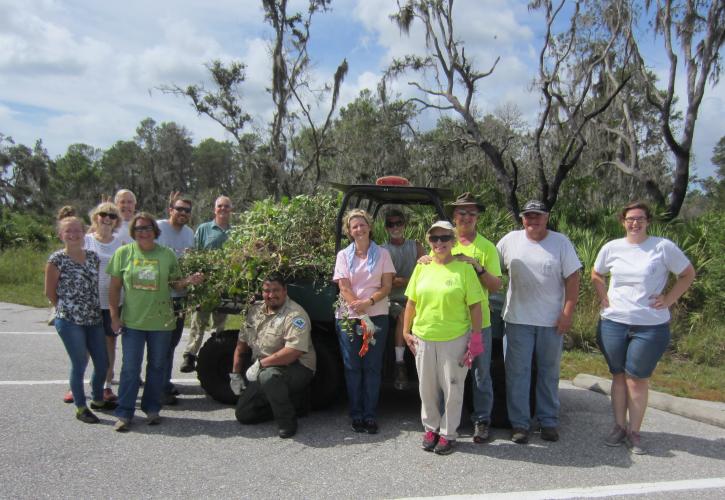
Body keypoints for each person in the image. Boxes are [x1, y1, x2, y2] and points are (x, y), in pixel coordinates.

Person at [592, 201, 695, 455]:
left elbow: (687, 274)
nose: (634, 223)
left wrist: (668, 300)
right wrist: (603, 295)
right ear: (623, 221)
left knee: (637, 379)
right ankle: (618, 426)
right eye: (630, 219)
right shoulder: (612, 247)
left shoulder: (662, 247)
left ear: (648, 221)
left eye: (639, 218)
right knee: (618, 375)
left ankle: (634, 432)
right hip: (614, 322)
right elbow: (596, 273)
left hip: (650, 326)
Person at [107, 213, 204, 432]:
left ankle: (152, 409)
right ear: (133, 232)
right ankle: (124, 412)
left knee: (157, 367)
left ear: (155, 231)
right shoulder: (123, 254)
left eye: (148, 228)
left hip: (161, 323)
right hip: (133, 322)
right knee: (130, 369)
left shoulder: (167, 255)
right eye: (139, 228)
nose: (144, 232)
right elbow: (114, 288)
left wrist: (189, 281)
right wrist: (114, 316)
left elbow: (175, 285)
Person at [497, 200, 581, 444]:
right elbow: (491, 267)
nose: (533, 220)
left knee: (548, 373)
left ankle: (548, 421)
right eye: (528, 216)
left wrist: (568, 312)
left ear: (547, 217)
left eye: (538, 216)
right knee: (517, 374)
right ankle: (520, 424)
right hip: (517, 318)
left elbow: (573, 277)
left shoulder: (560, 242)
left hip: (551, 321)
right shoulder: (509, 240)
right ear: (522, 218)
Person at [403, 221, 484, 455]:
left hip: (455, 339)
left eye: (445, 238)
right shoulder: (422, 267)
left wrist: (475, 339)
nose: (439, 243)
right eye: (434, 239)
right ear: (429, 241)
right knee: (426, 389)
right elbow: (411, 302)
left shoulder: (464, 268)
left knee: (453, 389)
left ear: (453, 240)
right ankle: (431, 428)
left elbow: (476, 307)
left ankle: (448, 434)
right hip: (424, 337)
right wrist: (406, 331)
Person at [45, 210, 116, 424]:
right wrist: (65, 309)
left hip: (93, 318)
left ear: (85, 233)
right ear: (61, 235)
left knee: (102, 363)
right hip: (69, 320)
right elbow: (49, 292)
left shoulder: (93, 257)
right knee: (79, 363)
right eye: (69, 231)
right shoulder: (57, 259)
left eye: (77, 230)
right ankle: (81, 406)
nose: (74, 234)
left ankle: (97, 399)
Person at [231, 273, 317, 439]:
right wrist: (235, 374)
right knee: (244, 414)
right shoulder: (255, 311)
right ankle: (295, 405)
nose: (271, 295)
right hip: (266, 368)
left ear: (285, 291)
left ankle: (287, 422)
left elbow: (293, 352)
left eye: (276, 290)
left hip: (297, 367)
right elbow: (241, 344)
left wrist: (261, 364)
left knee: (269, 377)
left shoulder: (295, 315)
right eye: (266, 291)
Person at [333, 208, 395, 434]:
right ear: (349, 231)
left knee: (372, 367)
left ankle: (370, 415)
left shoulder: (383, 254)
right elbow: (343, 286)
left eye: (362, 225)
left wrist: (368, 302)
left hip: (376, 316)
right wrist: (358, 307)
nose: (359, 229)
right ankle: (356, 414)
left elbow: (387, 286)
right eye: (354, 226)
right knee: (352, 367)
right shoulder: (343, 256)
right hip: (349, 318)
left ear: (369, 227)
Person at [448, 192, 502, 444]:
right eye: (462, 212)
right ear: (454, 216)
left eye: (471, 213)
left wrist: (477, 266)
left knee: (481, 374)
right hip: (452, 322)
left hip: (480, 323)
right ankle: (450, 421)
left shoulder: (487, 247)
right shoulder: (444, 242)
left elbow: (496, 286)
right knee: (451, 374)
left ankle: (481, 421)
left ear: (477, 218)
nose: (466, 217)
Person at [180, 195, 233, 372]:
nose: (223, 209)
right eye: (220, 206)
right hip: (204, 283)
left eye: (226, 206)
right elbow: (194, 253)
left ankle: (215, 352)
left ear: (230, 210)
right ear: (214, 209)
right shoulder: (204, 229)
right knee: (199, 320)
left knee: (220, 320)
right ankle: (190, 356)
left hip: (225, 284)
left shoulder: (236, 232)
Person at [156, 193, 195, 405]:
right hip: (160, 297)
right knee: (160, 344)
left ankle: (164, 382)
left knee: (171, 343)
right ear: (170, 209)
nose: (182, 213)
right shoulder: (158, 228)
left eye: (187, 211)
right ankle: (158, 388)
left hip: (180, 296)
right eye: (179, 209)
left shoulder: (189, 234)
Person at [381, 208, 425, 390]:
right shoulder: (383, 250)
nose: (395, 227)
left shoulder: (416, 246)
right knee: (402, 315)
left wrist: (401, 280)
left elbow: (427, 272)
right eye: (391, 224)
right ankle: (400, 364)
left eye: (398, 223)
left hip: (417, 297)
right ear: (386, 228)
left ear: (404, 225)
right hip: (393, 300)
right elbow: (388, 283)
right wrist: (410, 278)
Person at [84, 201, 124, 403]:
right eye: (103, 214)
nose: (107, 218)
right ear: (95, 217)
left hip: (112, 302)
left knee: (110, 343)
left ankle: (107, 385)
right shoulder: (86, 241)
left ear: (116, 221)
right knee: (85, 346)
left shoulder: (121, 244)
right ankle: (79, 385)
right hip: (89, 302)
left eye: (112, 215)